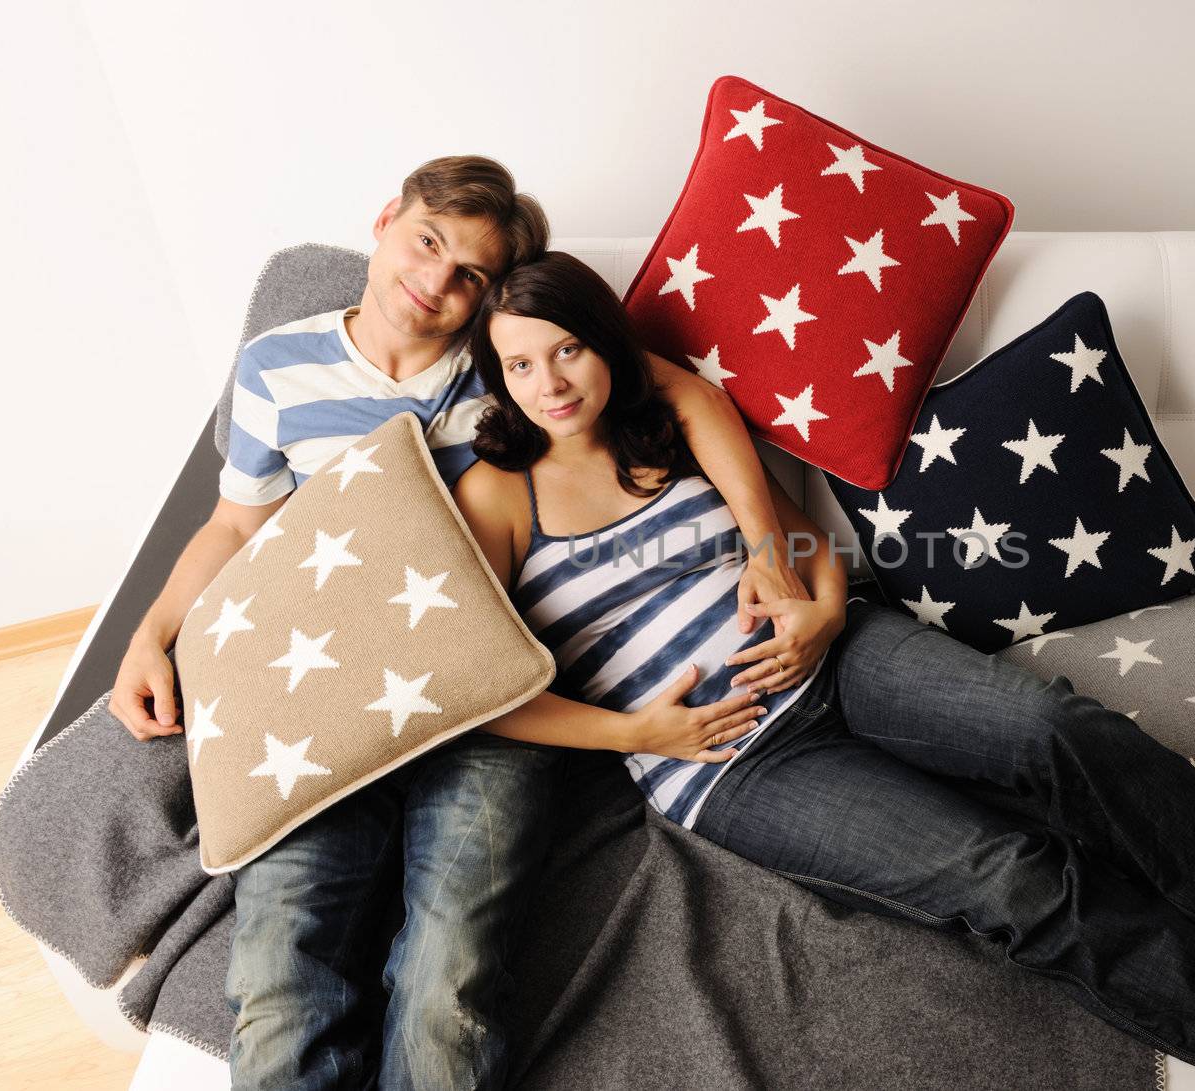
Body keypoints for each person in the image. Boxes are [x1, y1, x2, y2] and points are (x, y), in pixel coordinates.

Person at [453, 251, 1195, 1091]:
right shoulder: (499, 496)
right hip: (729, 762)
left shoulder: (668, 418)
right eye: (519, 364)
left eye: (566, 351)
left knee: (1056, 728)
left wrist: (820, 612)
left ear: (604, 344)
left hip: (840, 656)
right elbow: (473, 696)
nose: (549, 382)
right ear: (496, 377)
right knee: (1002, 876)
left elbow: (791, 538)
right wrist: (640, 734)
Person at [108, 157, 809, 1090]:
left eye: (470, 274)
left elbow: (676, 391)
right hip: (329, 690)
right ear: (386, 219)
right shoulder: (278, 365)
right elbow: (238, 520)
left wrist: (771, 547)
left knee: (450, 981)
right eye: (427, 242)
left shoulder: (510, 365)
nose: (436, 281)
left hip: (489, 698)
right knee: (281, 973)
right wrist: (151, 632)